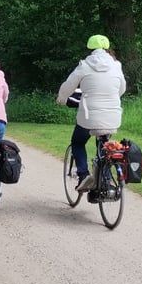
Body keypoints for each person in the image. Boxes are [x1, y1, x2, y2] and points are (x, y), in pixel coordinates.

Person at [56, 34, 126, 192]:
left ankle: (83, 175)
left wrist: (61, 99)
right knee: (105, 145)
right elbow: (122, 89)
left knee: (78, 142)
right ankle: (106, 181)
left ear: (90, 49)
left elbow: (68, 85)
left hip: (89, 117)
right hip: (112, 115)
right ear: (108, 49)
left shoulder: (84, 65)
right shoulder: (116, 65)